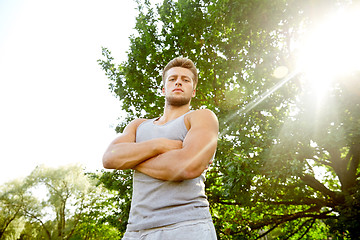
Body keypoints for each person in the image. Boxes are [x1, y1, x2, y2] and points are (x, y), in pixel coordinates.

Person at [102, 57, 219, 240]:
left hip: (187, 227)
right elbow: (109, 158)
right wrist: (159, 145)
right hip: (135, 232)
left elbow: (188, 166)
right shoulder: (138, 126)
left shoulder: (201, 117)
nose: (178, 81)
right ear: (164, 89)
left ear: (193, 91)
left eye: (185, 79)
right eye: (172, 79)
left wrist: (132, 159)